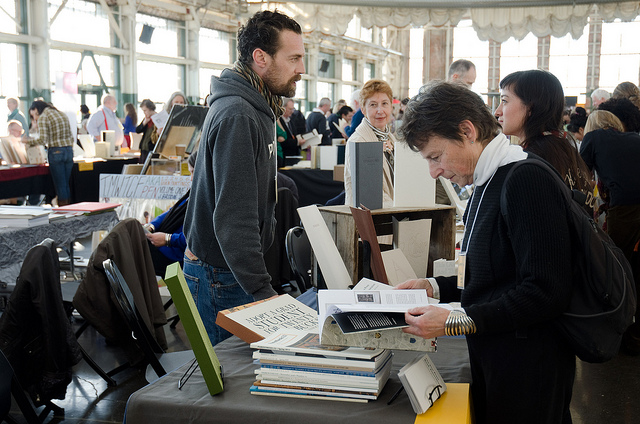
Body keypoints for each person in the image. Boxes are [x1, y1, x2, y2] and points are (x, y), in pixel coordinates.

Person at [396, 80, 575, 424]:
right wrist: (434, 286)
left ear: (467, 131)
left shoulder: (524, 178)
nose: (434, 171)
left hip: (528, 364)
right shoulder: (485, 178)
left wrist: (456, 321)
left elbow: (546, 291)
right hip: (499, 352)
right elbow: (491, 273)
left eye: (436, 156)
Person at [183, 9, 305, 346]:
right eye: (293, 58)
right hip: (221, 277)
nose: (302, 69)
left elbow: (200, 161)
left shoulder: (257, 106)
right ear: (260, 58)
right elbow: (233, 220)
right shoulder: (240, 114)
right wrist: (264, 293)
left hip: (230, 271)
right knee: (232, 389)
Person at [580, 108, 640, 356]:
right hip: (631, 205)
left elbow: (581, 176)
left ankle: (622, 330)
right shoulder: (634, 137)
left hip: (625, 209)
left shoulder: (593, 139)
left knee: (617, 268)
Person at [495, 70, 592, 205]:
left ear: (531, 107)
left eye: (504, 101)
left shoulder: (533, 160)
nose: (497, 112)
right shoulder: (560, 146)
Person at [344, 79, 396, 207]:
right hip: (370, 218)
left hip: (392, 213)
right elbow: (371, 194)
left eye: (385, 103)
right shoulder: (359, 141)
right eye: (373, 105)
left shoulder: (392, 138)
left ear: (391, 106)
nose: (380, 110)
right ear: (363, 109)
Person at [145, 151, 197, 277]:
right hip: (171, 248)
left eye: (193, 172)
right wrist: (151, 226)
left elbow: (197, 238)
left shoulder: (204, 199)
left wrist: (168, 239)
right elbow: (172, 211)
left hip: (177, 255)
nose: (191, 178)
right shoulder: (193, 194)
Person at [25, 100, 75, 205]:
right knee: (66, 184)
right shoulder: (61, 113)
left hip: (56, 152)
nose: (34, 118)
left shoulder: (44, 117)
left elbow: (43, 140)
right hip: (69, 150)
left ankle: (64, 209)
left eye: (33, 114)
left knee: (60, 184)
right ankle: (69, 207)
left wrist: (28, 141)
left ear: (36, 109)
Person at [136, 99, 158, 164]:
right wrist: (144, 123)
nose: (144, 113)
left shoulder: (158, 118)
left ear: (150, 108)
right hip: (144, 148)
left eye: (145, 110)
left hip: (151, 148)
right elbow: (138, 130)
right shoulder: (146, 119)